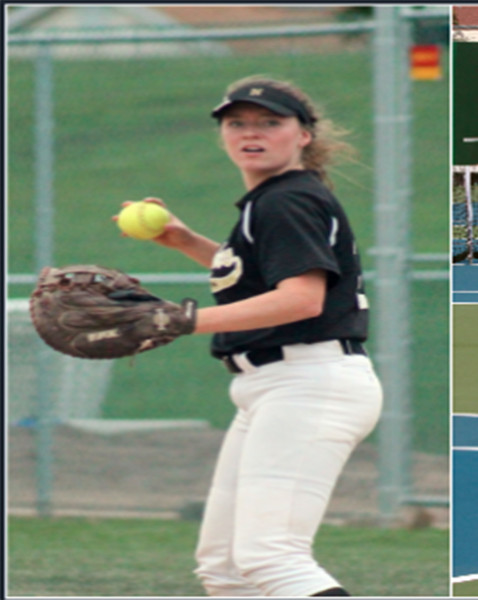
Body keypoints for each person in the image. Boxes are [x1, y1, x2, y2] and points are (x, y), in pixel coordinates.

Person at [117, 76, 382, 595]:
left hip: (308, 383)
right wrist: (186, 241)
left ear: (303, 134)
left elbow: (301, 298)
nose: (250, 132)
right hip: (279, 386)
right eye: (237, 122)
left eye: (270, 122)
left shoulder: (285, 201)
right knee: (226, 569)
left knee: (273, 560)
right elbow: (256, 276)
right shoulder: (274, 201)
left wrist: (182, 319)